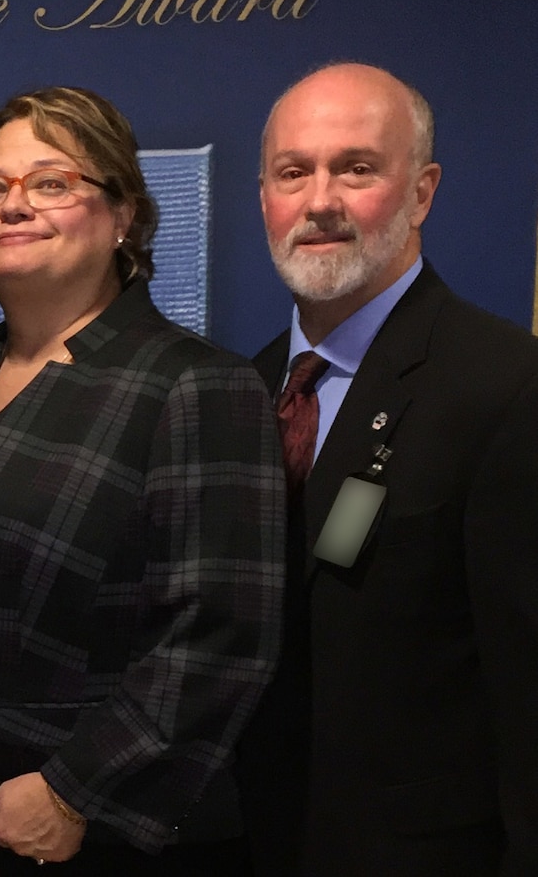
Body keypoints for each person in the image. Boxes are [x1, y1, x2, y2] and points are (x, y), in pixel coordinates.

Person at [0, 87, 286, 874]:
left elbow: (218, 640)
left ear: (124, 218)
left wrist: (77, 790)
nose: (15, 207)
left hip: (76, 831)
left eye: (51, 183)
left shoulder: (194, 386)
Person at [234, 63, 538, 876]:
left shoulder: (508, 387)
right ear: (263, 196)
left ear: (423, 192)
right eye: (293, 172)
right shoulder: (240, 392)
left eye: (357, 168)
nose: (320, 200)